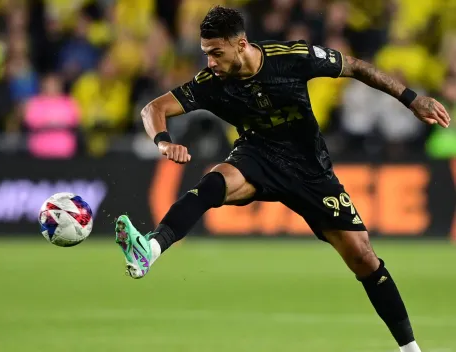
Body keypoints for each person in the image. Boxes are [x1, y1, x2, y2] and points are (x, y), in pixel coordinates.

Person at [114, 6, 451, 352]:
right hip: (257, 155)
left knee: (364, 257)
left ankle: (411, 350)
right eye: (206, 54)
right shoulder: (211, 83)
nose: (210, 63)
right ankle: (150, 249)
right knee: (214, 182)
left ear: (241, 44)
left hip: (310, 169)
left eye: (217, 53)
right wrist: (163, 141)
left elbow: (354, 66)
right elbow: (152, 109)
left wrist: (411, 99)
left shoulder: (292, 57)